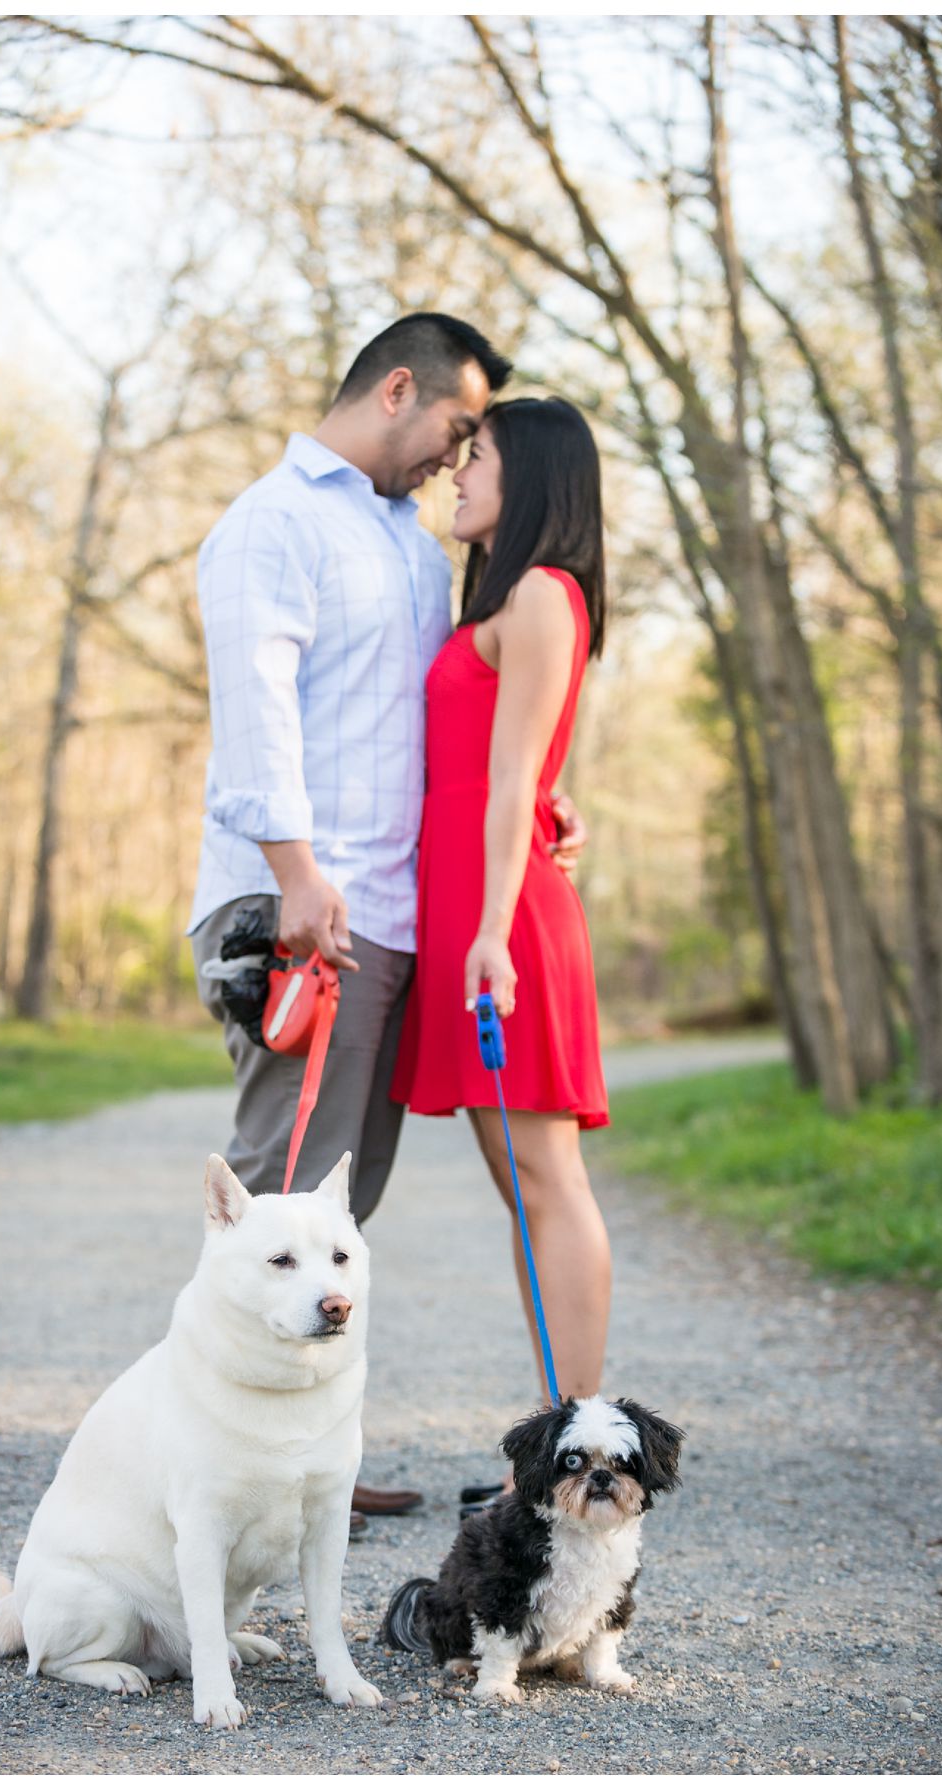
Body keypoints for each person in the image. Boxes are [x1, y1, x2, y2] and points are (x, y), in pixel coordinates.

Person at [187, 315, 586, 1524]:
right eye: (458, 429)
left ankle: (305, 1452)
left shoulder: (411, 544)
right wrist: (298, 874)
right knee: (270, 1195)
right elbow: (257, 705)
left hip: (398, 913)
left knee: (337, 1209)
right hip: (307, 902)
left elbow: (438, 725)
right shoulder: (276, 521)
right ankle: (219, 1456)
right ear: (398, 389)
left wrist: (532, 805)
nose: (458, 459)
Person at [390, 395, 612, 1429]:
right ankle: (556, 1423)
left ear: (529, 479)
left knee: (545, 1174)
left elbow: (516, 777)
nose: (458, 474)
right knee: (515, 1177)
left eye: (475, 458)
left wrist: (488, 932)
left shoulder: (536, 594)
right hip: (473, 908)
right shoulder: (502, 599)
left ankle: (580, 1430)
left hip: (505, 921)